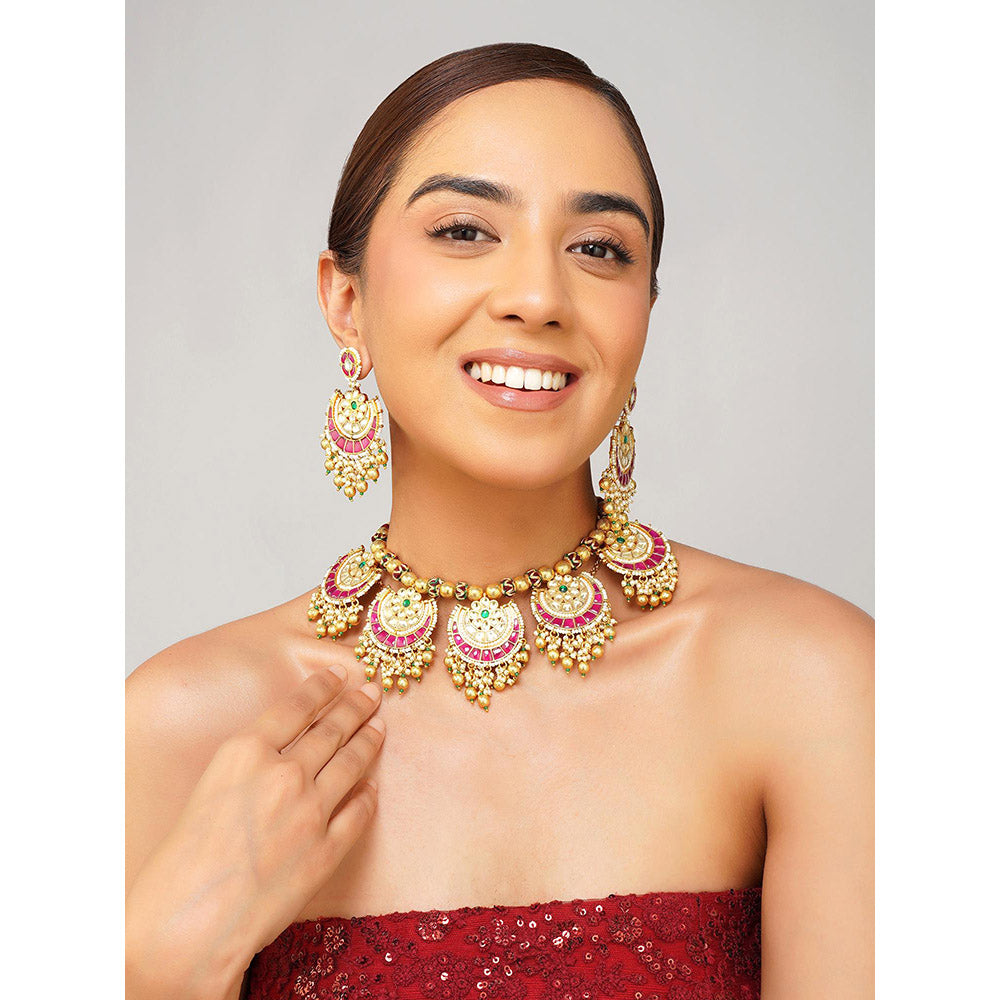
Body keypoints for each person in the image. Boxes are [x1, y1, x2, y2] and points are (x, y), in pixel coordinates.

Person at [125, 42, 874, 1000]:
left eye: (599, 249)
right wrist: (155, 969)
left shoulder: (811, 681)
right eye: (465, 230)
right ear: (346, 301)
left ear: (646, 310)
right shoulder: (183, 726)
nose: (538, 298)